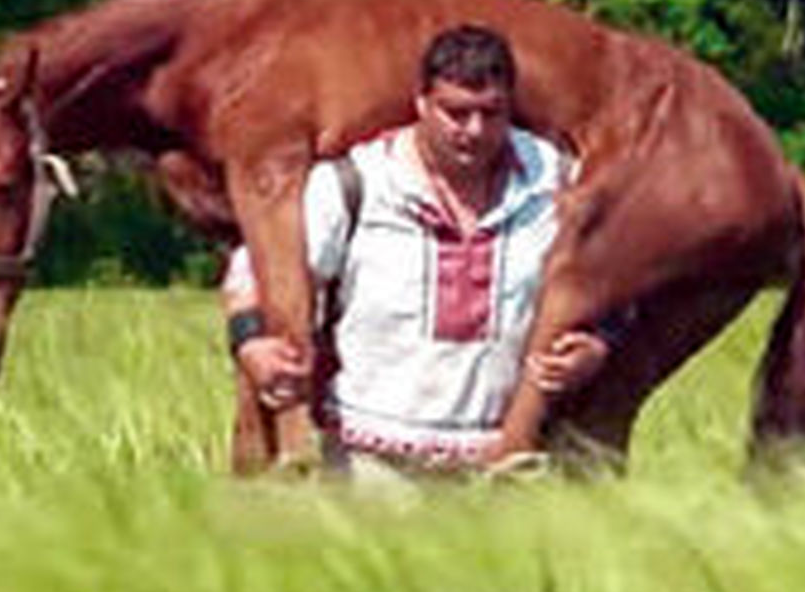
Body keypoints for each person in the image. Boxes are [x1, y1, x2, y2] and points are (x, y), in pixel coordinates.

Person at [222, 24, 616, 482]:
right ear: (421, 103)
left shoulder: (559, 185)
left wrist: (599, 345)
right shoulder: (357, 185)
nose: (474, 130)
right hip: (367, 469)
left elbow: (612, 283)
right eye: (456, 113)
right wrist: (251, 343)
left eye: (492, 113)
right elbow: (253, 271)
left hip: (510, 467)